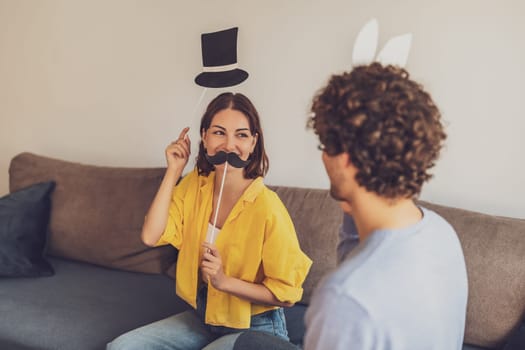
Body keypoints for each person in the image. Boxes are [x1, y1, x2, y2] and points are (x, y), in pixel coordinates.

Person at [107, 92, 312, 350]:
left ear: (253, 143)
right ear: (204, 138)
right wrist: (173, 171)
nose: (229, 145)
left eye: (241, 135)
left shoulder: (268, 206)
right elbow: (150, 235)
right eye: (218, 133)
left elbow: (287, 296)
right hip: (205, 316)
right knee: (122, 347)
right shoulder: (195, 184)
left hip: (256, 327)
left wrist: (224, 281)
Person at [304, 63, 468, 350]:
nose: (323, 160)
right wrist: (353, 195)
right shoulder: (442, 233)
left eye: (324, 148)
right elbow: (359, 255)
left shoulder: (345, 298)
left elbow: (358, 282)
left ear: (345, 159)